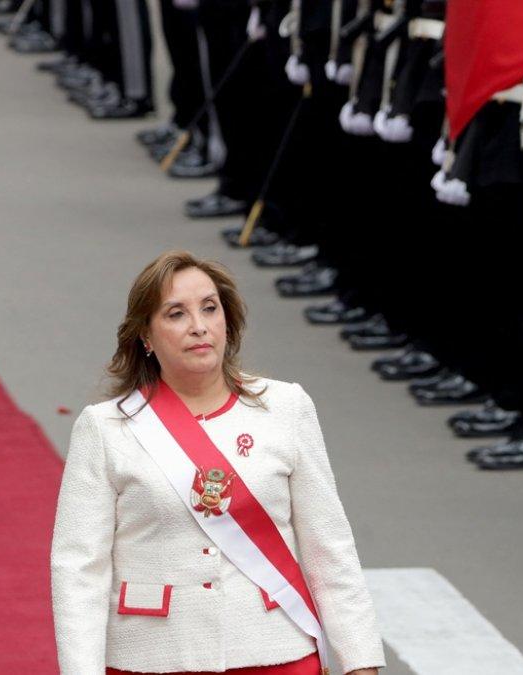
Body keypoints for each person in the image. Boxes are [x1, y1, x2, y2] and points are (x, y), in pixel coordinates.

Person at [50, 250, 384, 675]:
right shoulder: (105, 428)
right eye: (176, 314)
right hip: (152, 657)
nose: (199, 326)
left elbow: (329, 546)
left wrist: (361, 662)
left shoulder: (286, 407)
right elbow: (79, 568)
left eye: (210, 308)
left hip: (274, 649)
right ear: (145, 337)